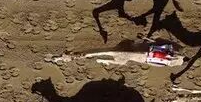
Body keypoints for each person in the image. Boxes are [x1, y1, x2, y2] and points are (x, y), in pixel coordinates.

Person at [48, 39, 188, 67]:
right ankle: (69, 57)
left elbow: (155, 43)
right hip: (134, 55)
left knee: (96, 53)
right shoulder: (166, 61)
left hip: (133, 52)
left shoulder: (167, 49)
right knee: (96, 54)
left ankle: (68, 57)